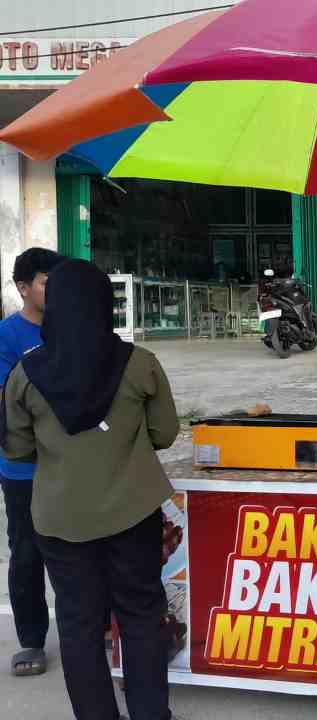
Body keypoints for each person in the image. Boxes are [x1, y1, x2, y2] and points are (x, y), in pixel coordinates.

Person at [3, 260, 178, 720]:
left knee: (79, 625)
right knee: (140, 615)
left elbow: (17, 450)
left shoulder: (26, 375)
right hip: (133, 513)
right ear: (107, 306)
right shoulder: (139, 363)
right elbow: (165, 433)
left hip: (61, 521)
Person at [0, 247, 65, 677]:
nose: (53, 289)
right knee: (27, 553)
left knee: (78, 550)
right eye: (45, 280)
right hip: (22, 468)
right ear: (23, 288)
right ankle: (31, 640)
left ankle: (90, 628)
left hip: (70, 465)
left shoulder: (72, 329)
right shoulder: (7, 335)